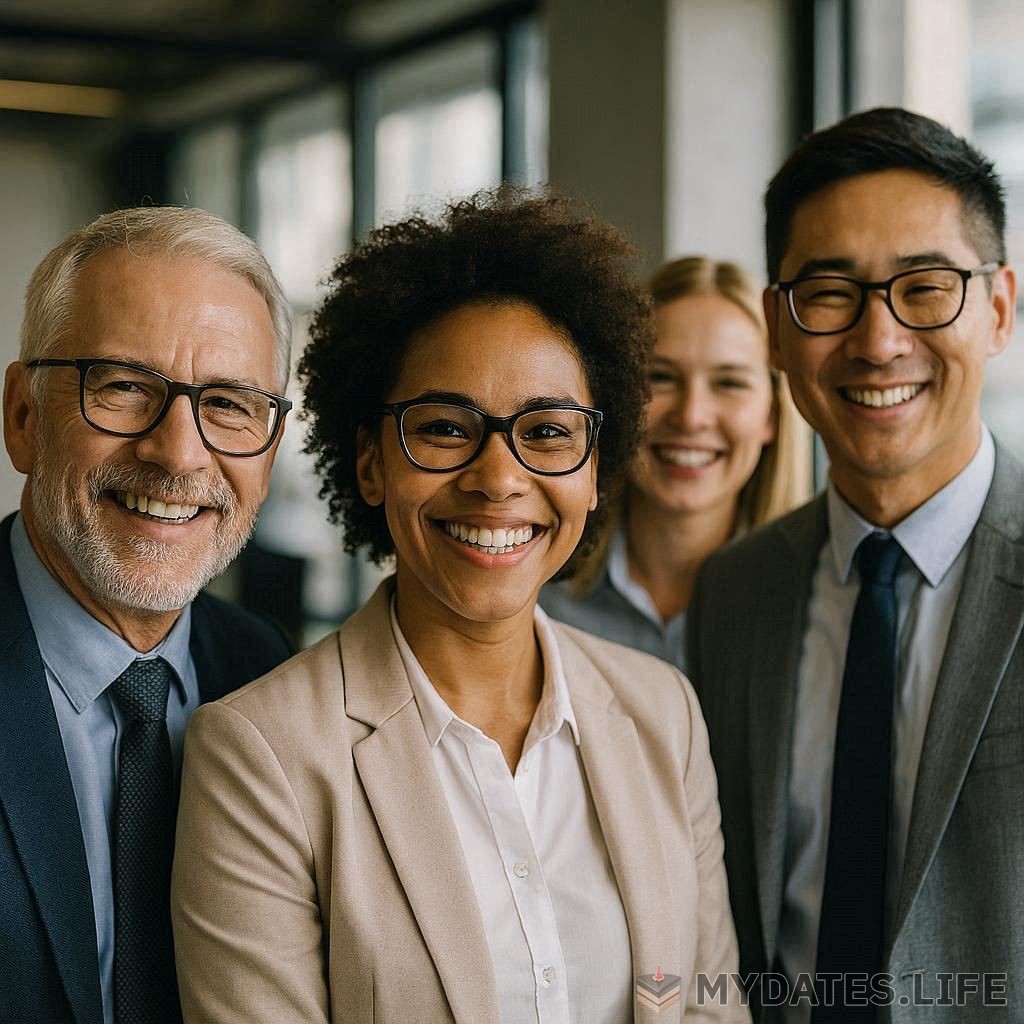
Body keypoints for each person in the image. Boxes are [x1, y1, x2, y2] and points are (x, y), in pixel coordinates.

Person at [172, 189, 748, 1023]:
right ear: (370, 463)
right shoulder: (262, 756)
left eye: (547, 432)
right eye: (445, 427)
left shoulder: (664, 714)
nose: (499, 477)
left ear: (595, 466)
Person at [688, 107, 1021, 1022]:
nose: (878, 341)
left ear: (998, 308)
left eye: (925, 287)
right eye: (830, 293)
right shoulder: (735, 590)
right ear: (777, 328)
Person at [0, 207, 295, 1024]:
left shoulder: (272, 673)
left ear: (269, 454)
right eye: (125, 387)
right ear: (22, 415)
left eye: (231, 404)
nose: (178, 452)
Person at [541, 256, 809, 671]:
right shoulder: (540, 587)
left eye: (729, 383)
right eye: (661, 377)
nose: (691, 415)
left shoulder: (814, 603)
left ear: (772, 416)